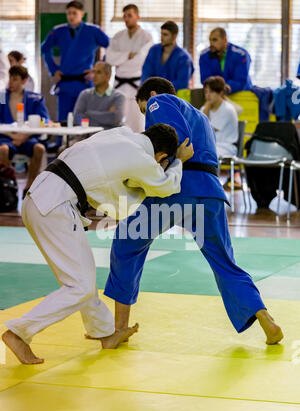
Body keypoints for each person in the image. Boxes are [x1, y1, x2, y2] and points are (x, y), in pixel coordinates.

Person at [104, 77, 284, 347]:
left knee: (126, 241)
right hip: (210, 192)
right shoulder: (200, 116)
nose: (146, 117)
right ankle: (265, 318)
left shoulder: (159, 100)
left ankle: (119, 328)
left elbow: (173, 140)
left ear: (150, 95)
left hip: (179, 187)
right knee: (224, 261)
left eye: (143, 110)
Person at [1, 122, 193, 364]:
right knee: (79, 286)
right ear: (161, 155)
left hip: (40, 198)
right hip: (55, 206)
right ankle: (19, 333)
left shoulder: (119, 133)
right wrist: (179, 162)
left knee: (83, 279)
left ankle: (105, 333)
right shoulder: (140, 158)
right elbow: (166, 187)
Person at [41, 0, 109, 122]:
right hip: (65, 82)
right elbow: (44, 49)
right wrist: (53, 70)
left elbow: (110, 47)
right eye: (69, 13)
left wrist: (98, 70)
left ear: (82, 14)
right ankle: (61, 142)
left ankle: (86, 141)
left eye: (74, 13)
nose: (71, 16)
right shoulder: (58, 31)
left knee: (85, 119)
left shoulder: (93, 30)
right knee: (63, 120)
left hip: (84, 82)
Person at [0, 65, 49, 197]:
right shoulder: (2, 96)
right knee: (2, 149)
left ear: (24, 80)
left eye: (15, 79)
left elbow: (44, 120)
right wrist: (11, 135)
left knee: (39, 148)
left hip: (28, 138)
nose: (11, 82)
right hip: (7, 138)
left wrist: (24, 136)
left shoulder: (35, 98)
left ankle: (30, 185)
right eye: (10, 78)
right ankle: (10, 183)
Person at [105, 4, 153, 132]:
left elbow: (141, 61)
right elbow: (109, 58)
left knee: (137, 124)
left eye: (129, 15)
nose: (126, 19)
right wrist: (128, 55)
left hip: (137, 85)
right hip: (119, 85)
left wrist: (120, 60)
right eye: (124, 16)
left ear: (138, 17)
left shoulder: (146, 37)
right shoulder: (118, 36)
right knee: (116, 123)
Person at [201, 76, 241, 190]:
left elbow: (207, 129)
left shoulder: (227, 109)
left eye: (212, 92)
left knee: (206, 155)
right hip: (212, 146)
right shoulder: (205, 107)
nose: (208, 95)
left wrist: (206, 109)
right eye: (206, 92)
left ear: (221, 93)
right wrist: (206, 108)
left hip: (226, 147)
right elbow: (198, 127)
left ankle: (211, 188)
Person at [141, 21, 194, 92]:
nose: (162, 38)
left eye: (165, 35)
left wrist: (159, 89)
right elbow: (146, 74)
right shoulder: (154, 50)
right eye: (161, 34)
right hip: (153, 95)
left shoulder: (184, 57)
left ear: (174, 36)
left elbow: (182, 83)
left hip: (175, 98)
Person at [199, 27, 252, 94]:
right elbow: (205, 79)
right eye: (210, 40)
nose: (211, 43)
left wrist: (225, 88)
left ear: (225, 40)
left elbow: (240, 80)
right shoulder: (204, 56)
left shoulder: (240, 54)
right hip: (216, 95)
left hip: (241, 94)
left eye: (214, 40)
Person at [73, 62, 125, 129]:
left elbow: (114, 118)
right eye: (93, 72)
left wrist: (88, 113)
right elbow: (77, 118)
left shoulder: (119, 97)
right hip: (87, 137)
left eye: (98, 72)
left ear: (108, 76)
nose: (94, 75)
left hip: (109, 137)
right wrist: (106, 119)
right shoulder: (85, 94)